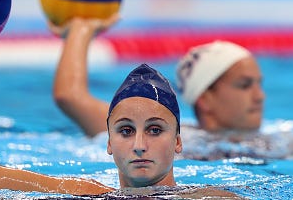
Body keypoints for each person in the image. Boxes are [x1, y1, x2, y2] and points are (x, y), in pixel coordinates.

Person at [0, 20, 244, 200]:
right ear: (109, 143)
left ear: (178, 142)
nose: (140, 144)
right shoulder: (85, 193)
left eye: (155, 130)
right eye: (126, 131)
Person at [50, 16, 265, 138]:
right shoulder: (160, 137)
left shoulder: (285, 141)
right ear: (205, 99)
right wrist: (81, 28)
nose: (260, 96)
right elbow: (70, 96)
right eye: (245, 85)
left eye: (259, 84)